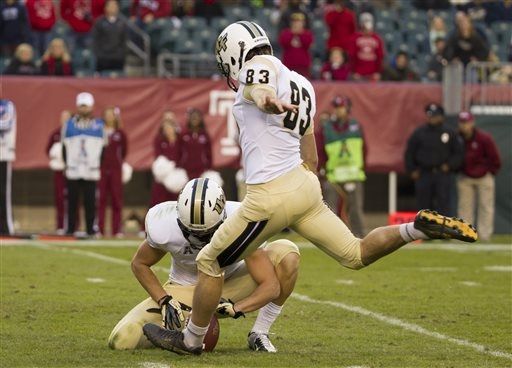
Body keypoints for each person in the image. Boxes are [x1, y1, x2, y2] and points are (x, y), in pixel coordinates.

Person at [142, 21, 478, 356]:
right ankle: (413, 228)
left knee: (209, 261)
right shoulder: (303, 84)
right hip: (305, 185)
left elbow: (258, 88)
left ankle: (191, 341)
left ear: (235, 52)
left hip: (269, 194)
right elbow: (311, 156)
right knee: (356, 253)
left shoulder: (256, 67)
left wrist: (267, 100)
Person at [109, 178, 300, 352]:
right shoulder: (164, 225)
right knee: (121, 340)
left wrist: (238, 307)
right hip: (185, 292)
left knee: (286, 252)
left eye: (206, 233)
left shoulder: (241, 219)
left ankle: (259, 332)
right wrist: (163, 300)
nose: (198, 239)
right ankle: (180, 331)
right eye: (190, 232)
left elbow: (271, 285)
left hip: (231, 287)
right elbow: (140, 263)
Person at [317, 96, 366, 238]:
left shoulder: (356, 126)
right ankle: (332, 237)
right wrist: (321, 169)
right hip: (333, 176)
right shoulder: (326, 128)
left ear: (348, 108)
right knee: (330, 209)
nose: (338, 111)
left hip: (354, 175)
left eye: (341, 107)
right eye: (336, 107)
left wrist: (361, 167)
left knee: (356, 209)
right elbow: (321, 151)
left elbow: (364, 150)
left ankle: (359, 236)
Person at [405, 104, 464, 216]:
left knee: (443, 204)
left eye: (435, 116)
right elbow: (409, 153)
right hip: (424, 173)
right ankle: (423, 232)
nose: (432, 118)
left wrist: (450, 165)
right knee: (424, 205)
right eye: (430, 116)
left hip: (442, 174)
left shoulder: (449, 132)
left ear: (441, 117)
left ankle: (442, 232)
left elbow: (458, 153)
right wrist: (412, 170)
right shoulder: (419, 133)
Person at [61, 92, 105, 236]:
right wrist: (66, 164)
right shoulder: (68, 125)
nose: (83, 109)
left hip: (91, 171)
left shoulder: (99, 125)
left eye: (86, 106)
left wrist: (98, 165)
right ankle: (70, 229)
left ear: (91, 107)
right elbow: (64, 147)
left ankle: (90, 229)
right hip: (73, 170)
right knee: (72, 202)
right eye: (81, 106)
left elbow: (104, 148)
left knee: (90, 202)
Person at [457, 111, 501, 242]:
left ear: (472, 122)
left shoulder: (484, 138)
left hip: (484, 177)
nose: (465, 126)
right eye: (462, 123)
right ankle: (465, 234)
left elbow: (495, 158)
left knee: (486, 207)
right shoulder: (457, 138)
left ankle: (485, 236)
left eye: (467, 122)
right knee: (465, 207)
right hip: (465, 177)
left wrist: (490, 172)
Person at [97, 107, 127, 237]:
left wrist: (117, 163)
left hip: (115, 170)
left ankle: (117, 230)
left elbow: (124, 151)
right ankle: (99, 229)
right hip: (102, 169)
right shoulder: (99, 132)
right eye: (107, 115)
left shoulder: (120, 133)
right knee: (100, 199)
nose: (109, 117)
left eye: (111, 115)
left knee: (116, 199)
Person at [150, 111, 186, 207]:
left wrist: (178, 168)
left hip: (176, 176)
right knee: (158, 200)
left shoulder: (180, 138)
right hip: (163, 175)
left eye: (170, 121)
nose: (168, 126)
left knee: (176, 201)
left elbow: (184, 155)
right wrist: (166, 169)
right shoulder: (159, 139)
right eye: (166, 120)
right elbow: (158, 157)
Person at [46, 110, 72, 234]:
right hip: (59, 171)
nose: (65, 120)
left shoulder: (74, 133)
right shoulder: (56, 134)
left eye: (67, 117)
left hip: (72, 171)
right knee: (60, 198)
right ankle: (60, 225)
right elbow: (48, 150)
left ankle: (73, 226)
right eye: (63, 117)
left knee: (72, 198)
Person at [92, 0, 127, 73]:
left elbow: (124, 41)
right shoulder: (99, 22)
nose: (113, 7)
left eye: (114, 5)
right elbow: (95, 40)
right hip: (103, 59)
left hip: (118, 58)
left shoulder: (122, 23)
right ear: (105, 8)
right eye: (110, 5)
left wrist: (121, 54)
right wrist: (99, 55)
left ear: (118, 7)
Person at [347, 12, 384, 81]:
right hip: (358, 74)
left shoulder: (377, 39)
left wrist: (378, 72)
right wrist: (353, 71)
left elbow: (380, 56)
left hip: (372, 74)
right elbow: (352, 56)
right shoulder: (355, 38)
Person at [179, 109, 213, 180]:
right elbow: (179, 152)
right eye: (193, 117)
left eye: (197, 117)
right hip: (186, 170)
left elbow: (209, 153)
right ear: (189, 119)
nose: (195, 119)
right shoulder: (183, 134)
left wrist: (209, 168)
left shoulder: (205, 135)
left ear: (200, 119)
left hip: (201, 170)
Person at [278, 12, 313, 79]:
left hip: (303, 67)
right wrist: (292, 33)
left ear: (303, 23)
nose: (297, 24)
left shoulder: (307, 33)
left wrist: (300, 33)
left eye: (299, 22)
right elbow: (283, 42)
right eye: (295, 22)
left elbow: (307, 43)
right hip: (288, 66)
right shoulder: (286, 33)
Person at [0, 99, 16, 235]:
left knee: (3, 193)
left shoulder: (7, 106)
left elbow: (6, 123)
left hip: (3, 154)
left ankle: (6, 228)